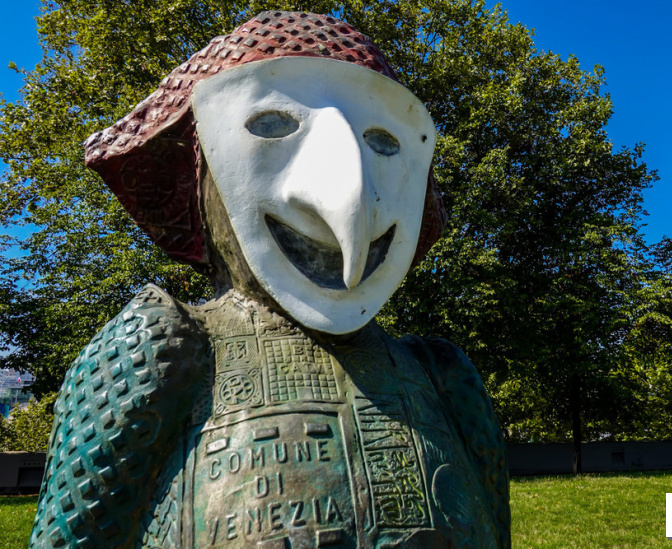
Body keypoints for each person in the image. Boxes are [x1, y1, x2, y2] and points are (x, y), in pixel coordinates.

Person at [30, 11, 509, 549]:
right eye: (272, 125)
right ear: (200, 175)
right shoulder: (161, 348)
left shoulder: (443, 375)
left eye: (383, 140)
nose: (350, 195)